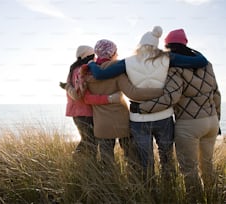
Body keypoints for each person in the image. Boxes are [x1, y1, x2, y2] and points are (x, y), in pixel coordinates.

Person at [87, 26, 210, 182]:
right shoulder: (167, 58)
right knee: (166, 157)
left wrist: (91, 64)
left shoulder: (128, 62)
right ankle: (169, 189)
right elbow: (201, 61)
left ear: (140, 45)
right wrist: (192, 50)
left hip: (139, 119)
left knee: (146, 161)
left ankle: (150, 191)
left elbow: (100, 74)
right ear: (156, 45)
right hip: (164, 116)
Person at [131, 28, 221, 203]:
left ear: (168, 46)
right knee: (208, 165)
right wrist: (217, 118)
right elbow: (216, 94)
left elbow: (172, 97)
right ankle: (212, 198)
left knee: (189, 169)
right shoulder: (206, 64)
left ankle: (195, 200)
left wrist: (142, 108)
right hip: (211, 122)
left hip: (189, 124)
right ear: (185, 43)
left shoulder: (174, 67)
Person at [64, 45, 97, 162]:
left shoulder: (73, 70)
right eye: (93, 55)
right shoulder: (82, 70)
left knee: (87, 139)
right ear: (87, 55)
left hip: (76, 111)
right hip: (84, 111)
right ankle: (79, 162)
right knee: (90, 141)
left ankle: (82, 164)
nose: (95, 58)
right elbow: (78, 93)